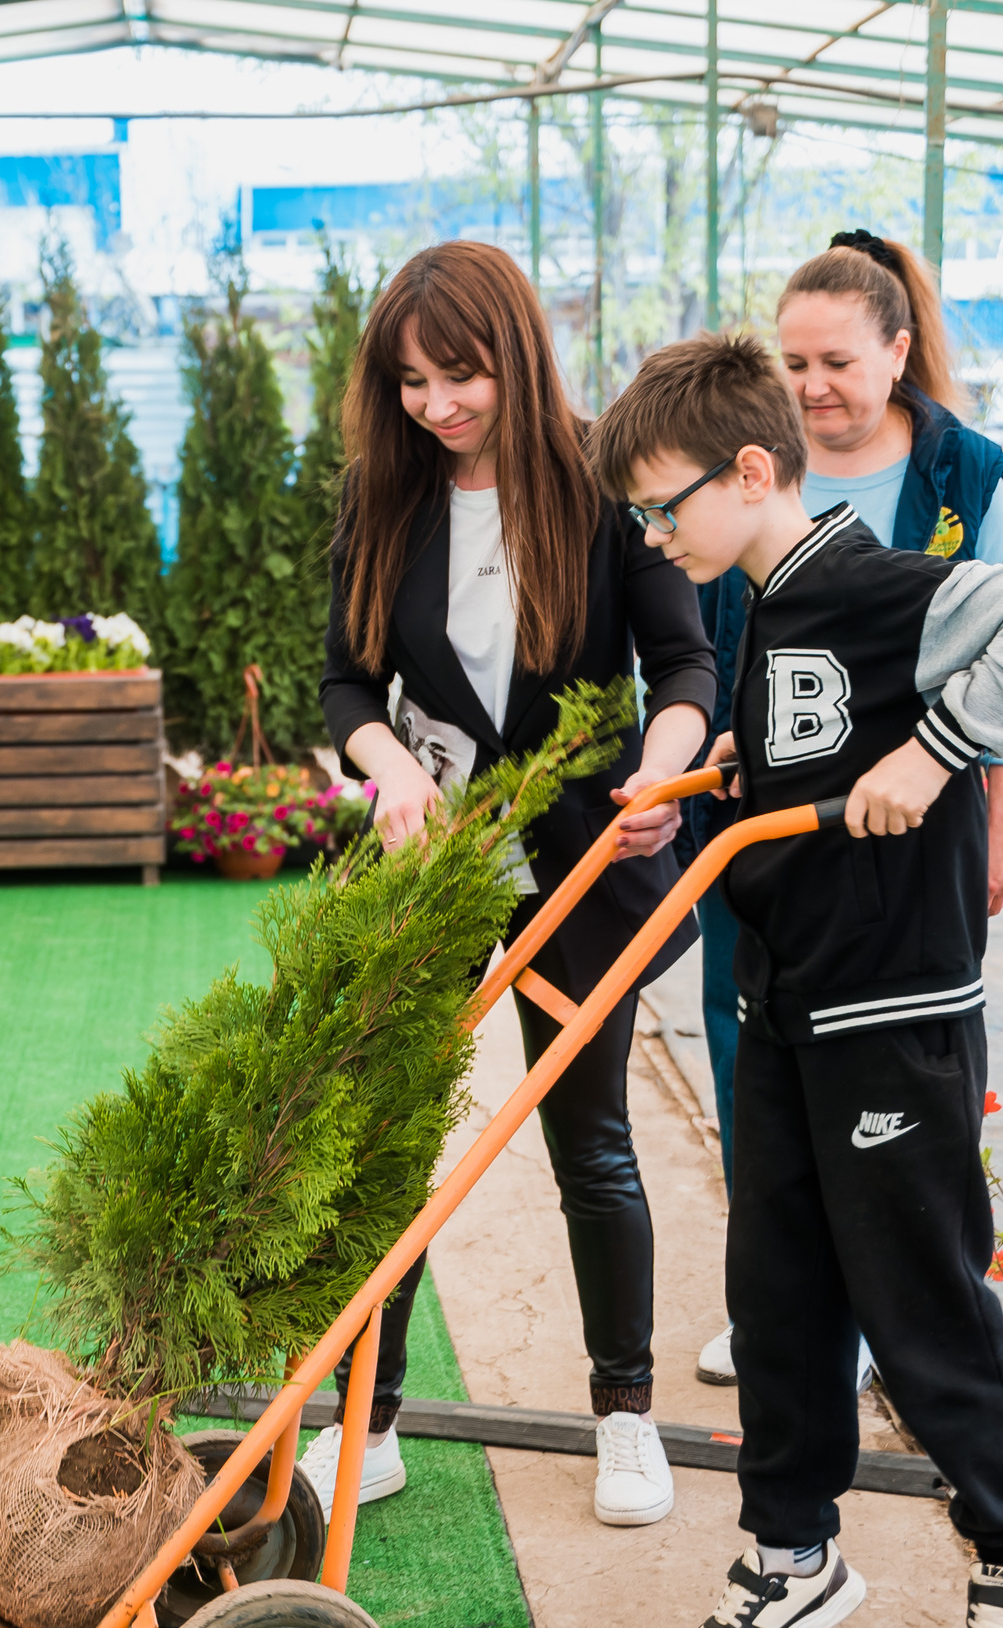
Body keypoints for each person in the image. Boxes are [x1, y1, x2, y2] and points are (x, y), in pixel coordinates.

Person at [591, 331, 1003, 1628]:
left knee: (919, 1295)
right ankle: (790, 1549)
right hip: (788, 1006)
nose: (653, 537)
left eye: (663, 508)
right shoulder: (764, 604)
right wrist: (726, 771)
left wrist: (938, 751)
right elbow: (821, 732)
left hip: (892, 1009)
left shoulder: (874, 584)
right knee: (778, 1294)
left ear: (750, 472)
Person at [307, 240, 716, 1530]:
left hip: (587, 856)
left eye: (460, 374)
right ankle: (365, 1425)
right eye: (411, 381)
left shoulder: (602, 482)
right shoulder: (383, 494)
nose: (436, 405)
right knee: (388, 1143)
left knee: (588, 1140)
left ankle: (624, 1416)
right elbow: (344, 683)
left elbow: (685, 665)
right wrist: (387, 766)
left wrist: (660, 771)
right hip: (435, 860)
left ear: (515, 356)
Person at [694, 228, 1003, 1391]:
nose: (810, 387)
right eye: (791, 363)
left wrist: (997, 814)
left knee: (895, 1079)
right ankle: (789, 1309)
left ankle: (900, 1307)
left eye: (834, 362)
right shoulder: (749, 467)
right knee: (751, 1052)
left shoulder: (960, 475)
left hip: (906, 842)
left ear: (895, 351)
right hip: (770, 831)